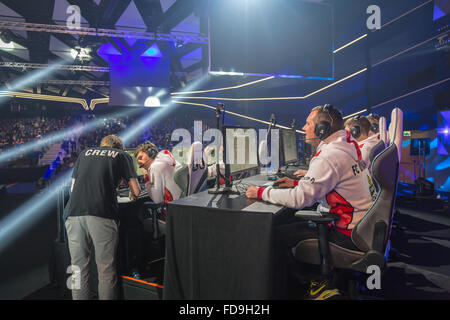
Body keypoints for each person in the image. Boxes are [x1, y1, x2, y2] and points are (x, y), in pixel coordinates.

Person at [246, 104, 376, 299]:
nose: (304, 128)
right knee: (288, 222)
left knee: (272, 236)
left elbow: (300, 199)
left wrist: (261, 192)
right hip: (362, 228)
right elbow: (333, 183)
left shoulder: (329, 156)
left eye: (308, 124)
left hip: (347, 233)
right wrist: (299, 182)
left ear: (321, 129)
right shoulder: (347, 146)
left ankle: (317, 284)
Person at [64, 135, 141, 300]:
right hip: (102, 214)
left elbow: (72, 188)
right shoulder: (122, 156)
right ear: (119, 148)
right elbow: (136, 191)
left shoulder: (84, 153)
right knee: (106, 270)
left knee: (77, 269)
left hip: (74, 213)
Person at [135, 141, 182, 208]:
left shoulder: (155, 167)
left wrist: (146, 177)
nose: (139, 162)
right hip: (181, 204)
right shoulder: (166, 157)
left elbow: (157, 200)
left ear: (151, 153)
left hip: (171, 210)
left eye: (140, 158)